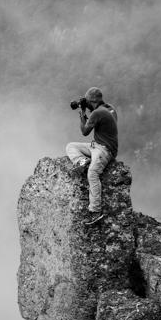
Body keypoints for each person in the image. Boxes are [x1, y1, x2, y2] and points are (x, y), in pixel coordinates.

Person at [66, 87, 118, 225]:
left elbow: (84, 131)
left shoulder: (97, 113)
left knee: (93, 173)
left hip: (104, 150)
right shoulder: (109, 108)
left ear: (92, 101)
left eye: (87, 102)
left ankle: (95, 211)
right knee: (71, 146)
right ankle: (82, 161)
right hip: (97, 145)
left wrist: (82, 113)